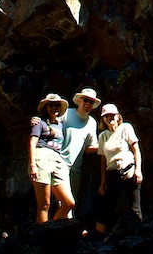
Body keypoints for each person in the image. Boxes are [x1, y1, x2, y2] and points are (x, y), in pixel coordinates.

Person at [95, 103, 143, 233]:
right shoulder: (102, 136)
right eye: (106, 116)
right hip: (112, 175)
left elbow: (136, 150)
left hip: (129, 172)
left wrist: (138, 170)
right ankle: (96, 238)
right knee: (105, 207)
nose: (109, 118)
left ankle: (140, 237)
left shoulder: (125, 128)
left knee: (135, 207)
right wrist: (102, 181)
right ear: (103, 119)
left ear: (117, 116)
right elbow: (103, 160)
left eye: (112, 115)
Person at [28, 93, 75, 223]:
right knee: (44, 203)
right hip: (41, 156)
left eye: (57, 105)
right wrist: (32, 165)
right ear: (46, 107)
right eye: (51, 105)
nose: (54, 107)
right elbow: (32, 142)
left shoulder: (60, 124)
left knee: (69, 202)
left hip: (57, 159)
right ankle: (42, 233)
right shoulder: (39, 122)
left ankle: (52, 227)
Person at [61, 87, 101, 220]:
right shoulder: (66, 114)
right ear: (79, 100)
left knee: (71, 199)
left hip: (75, 168)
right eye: (86, 100)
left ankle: (65, 229)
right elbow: (51, 127)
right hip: (59, 164)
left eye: (91, 101)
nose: (88, 104)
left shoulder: (92, 123)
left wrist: (108, 145)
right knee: (61, 200)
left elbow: (90, 148)